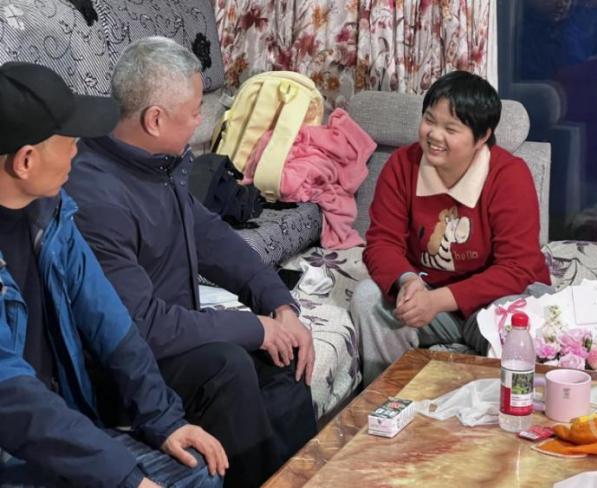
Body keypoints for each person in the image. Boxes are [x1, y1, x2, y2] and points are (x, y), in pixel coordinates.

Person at [65, 37, 317, 487]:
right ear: (155, 119)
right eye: (196, 111)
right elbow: (141, 326)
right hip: (123, 367)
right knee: (227, 366)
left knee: (286, 350)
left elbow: (212, 237)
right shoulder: (95, 196)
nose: (202, 120)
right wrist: (255, 327)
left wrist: (280, 305)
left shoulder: (161, 161)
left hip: (174, 339)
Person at [0, 61, 227, 487]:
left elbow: (109, 320)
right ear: (26, 160)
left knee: (197, 471)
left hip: (59, 430)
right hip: (14, 447)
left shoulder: (50, 213)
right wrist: (126, 479)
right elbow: (10, 394)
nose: (77, 151)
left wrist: (164, 420)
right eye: (69, 142)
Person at [350, 71, 552, 385]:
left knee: (520, 322)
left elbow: (517, 268)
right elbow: (382, 242)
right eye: (429, 120)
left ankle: (504, 408)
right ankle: (388, 399)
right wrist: (408, 282)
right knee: (367, 299)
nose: (434, 135)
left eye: (450, 129)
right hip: (428, 298)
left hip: (496, 300)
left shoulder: (509, 175)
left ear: (482, 137)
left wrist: (439, 300)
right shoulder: (402, 165)